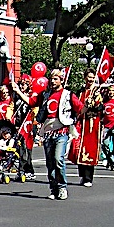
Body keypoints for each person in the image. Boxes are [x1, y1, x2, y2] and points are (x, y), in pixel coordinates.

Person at [36, 68, 82, 201]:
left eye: (55, 79)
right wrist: (18, 91)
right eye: (51, 79)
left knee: (58, 159)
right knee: (50, 163)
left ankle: (62, 187)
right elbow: (32, 102)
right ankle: (54, 188)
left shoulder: (68, 94)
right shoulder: (46, 95)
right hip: (48, 132)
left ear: (61, 80)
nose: (52, 81)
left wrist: (90, 105)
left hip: (61, 132)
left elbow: (80, 108)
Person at [70, 69, 103, 187]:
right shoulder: (80, 91)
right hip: (80, 123)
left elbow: (101, 107)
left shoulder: (97, 91)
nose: (90, 80)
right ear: (85, 78)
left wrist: (92, 104)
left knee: (89, 149)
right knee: (78, 149)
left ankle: (88, 177)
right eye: (89, 77)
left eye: (92, 77)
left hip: (91, 124)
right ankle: (83, 175)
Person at [8, 73, 39, 180]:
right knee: (20, 148)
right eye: (20, 84)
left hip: (29, 124)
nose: (21, 86)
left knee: (28, 148)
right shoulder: (16, 95)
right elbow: (11, 106)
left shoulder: (32, 94)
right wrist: (9, 117)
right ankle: (21, 170)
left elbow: (34, 106)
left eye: (24, 84)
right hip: (19, 124)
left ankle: (29, 170)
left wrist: (34, 117)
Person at [100, 82, 114, 171]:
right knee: (104, 144)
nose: (111, 92)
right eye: (110, 90)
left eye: (113, 90)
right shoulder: (104, 101)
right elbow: (101, 114)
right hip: (106, 126)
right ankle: (109, 158)